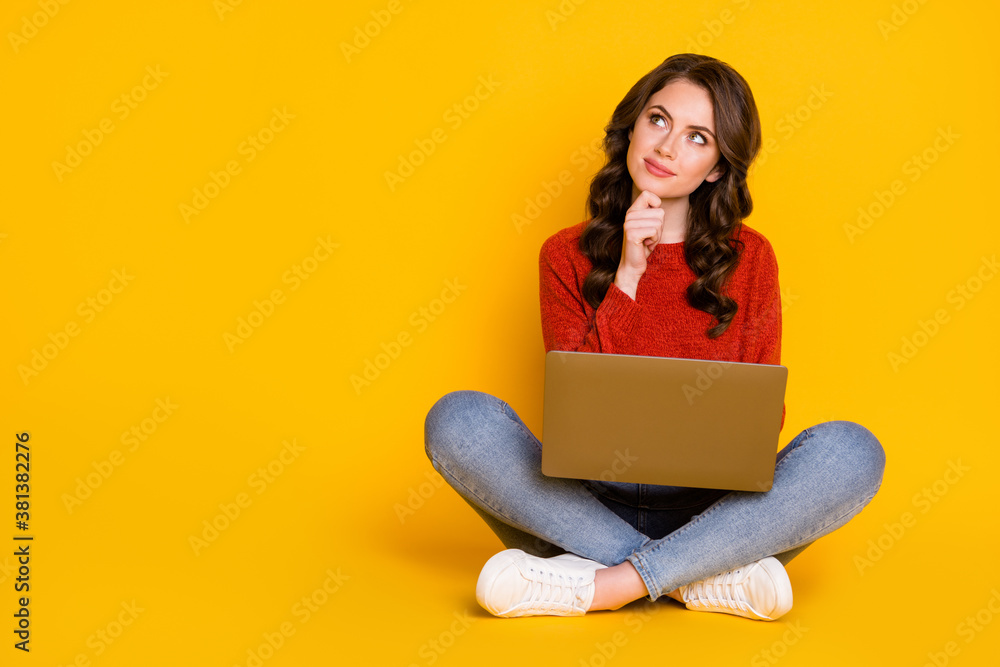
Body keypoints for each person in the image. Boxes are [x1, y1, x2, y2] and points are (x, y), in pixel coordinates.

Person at [423, 53, 885, 622]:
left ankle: (606, 582)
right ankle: (695, 580)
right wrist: (627, 277)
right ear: (633, 126)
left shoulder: (752, 259)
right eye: (659, 120)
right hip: (583, 508)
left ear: (716, 168)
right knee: (458, 420)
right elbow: (580, 410)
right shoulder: (563, 255)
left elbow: (763, 419)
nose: (666, 148)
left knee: (852, 452)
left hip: (718, 516)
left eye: (697, 137)